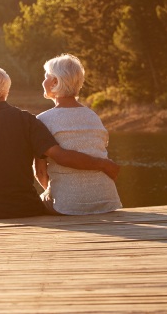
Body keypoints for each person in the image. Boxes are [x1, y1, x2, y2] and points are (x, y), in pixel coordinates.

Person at [0, 65, 119, 220]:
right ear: (5, 92)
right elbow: (58, 156)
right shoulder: (28, 121)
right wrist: (103, 164)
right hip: (25, 208)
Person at [36, 53, 122, 215]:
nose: (43, 81)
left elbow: (40, 172)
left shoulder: (42, 120)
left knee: (37, 202)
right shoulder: (93, 116)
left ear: (55, 82)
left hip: (68, 205)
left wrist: (55, 193)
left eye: (46, 76)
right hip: (106, 201)